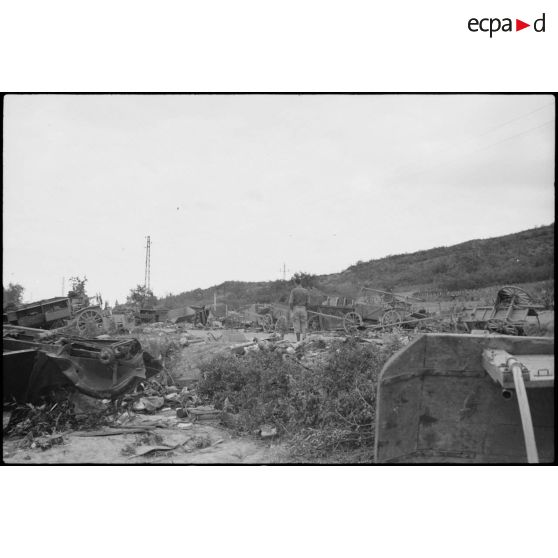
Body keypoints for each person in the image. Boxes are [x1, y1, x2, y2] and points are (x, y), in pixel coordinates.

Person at [289, 277, 309, 341]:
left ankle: (298, 340)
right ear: (300, 282)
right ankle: (304, 338)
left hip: (296, 308)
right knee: (304, 323)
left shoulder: (294, 291)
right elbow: (308, 302)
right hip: (303, 308)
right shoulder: (306, 291)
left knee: (296, 324)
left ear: (295, 283)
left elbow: (291, 302)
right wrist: (306, 309)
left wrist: (292, 310)